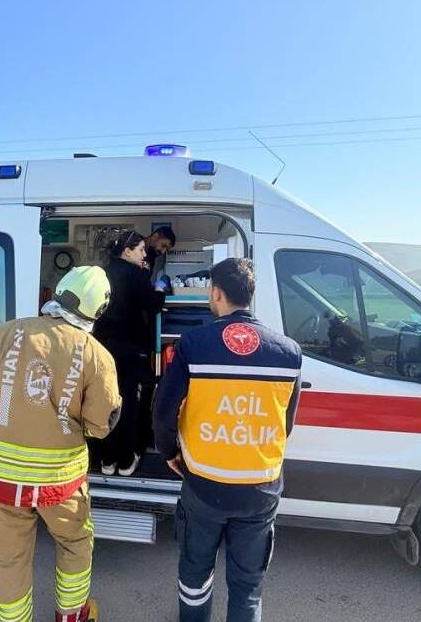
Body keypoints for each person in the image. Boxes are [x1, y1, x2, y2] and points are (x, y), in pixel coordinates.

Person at [0, 266, 122, 622]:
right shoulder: (97, 355)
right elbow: (101, 425)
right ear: (99, 309)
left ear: (58, 293)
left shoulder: (6, 333)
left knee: (8, 558)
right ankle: (71, 616)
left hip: (1, 478)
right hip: (60, 482)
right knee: (75, 543)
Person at [153, 258, 302, 622]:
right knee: (248, 587)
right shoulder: (288, 352)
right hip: (260, 487)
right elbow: (286, 423)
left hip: (204, 483)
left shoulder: (194, 344)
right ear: (251, 295)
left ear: (216, 293)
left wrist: (169, 451)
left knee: (195, 574)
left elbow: (164, 410)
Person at [93, 230, 166, 476]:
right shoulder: (136, 274)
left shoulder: (101, 273)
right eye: (141, 250)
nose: (145, 254)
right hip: (130, 350)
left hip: (103, 348)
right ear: (127, 251)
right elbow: (153, 304)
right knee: (128, 404)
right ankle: (125, 461)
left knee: (105, 401)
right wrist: (160, 288)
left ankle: (106, 460)